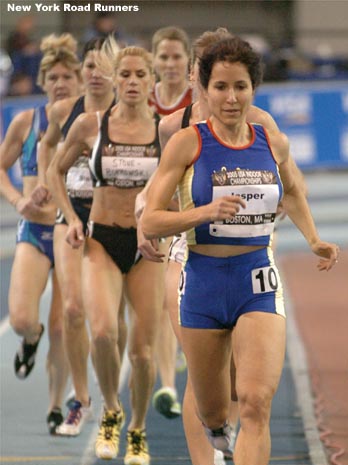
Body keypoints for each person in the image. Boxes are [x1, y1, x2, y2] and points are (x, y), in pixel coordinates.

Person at [142, 36, 339, 465]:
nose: (232, 98)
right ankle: (214, 434)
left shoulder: (270, 139)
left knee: (255, 401)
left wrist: (314, 236)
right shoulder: (188, 143)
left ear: (254, 88)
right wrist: (200, 214)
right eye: (221, 87)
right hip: (203, 281)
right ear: (203, 90)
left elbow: (293, 189)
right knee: (212, 408)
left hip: (256, 276)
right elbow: (152, 220)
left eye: (241, 87)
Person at [46, 39, 166, 465]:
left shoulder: (165, 131)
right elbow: (56, 172)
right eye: (126, 74)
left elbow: (183, 183)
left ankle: (137, 429)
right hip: (100, 240)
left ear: (152, 82)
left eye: (140, 75)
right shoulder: (90, 126)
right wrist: (71, 219)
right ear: (115, 80)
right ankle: (111, 410)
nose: (132, 82)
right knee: (102, 333)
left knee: (143, 351)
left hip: (145, 248)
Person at [32, 38, 117, 436]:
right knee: (70, 310)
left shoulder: (129, 112)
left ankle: (112, 395)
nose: (95, 73)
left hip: (114, 223)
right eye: (89, 66)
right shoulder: (65, 111)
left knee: (112, 322)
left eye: (103, 66)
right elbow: (47, 149)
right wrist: (50, 189)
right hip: (72, 220)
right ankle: (80, 399)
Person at [0, 34, 82, 433]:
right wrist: (19, 202)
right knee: (20, 318)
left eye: (69, 75)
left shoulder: (88, 125)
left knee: (64, 324)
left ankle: (54, 405)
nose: (62, 82)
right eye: (54, 76)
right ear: (43, 81)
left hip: (70, 234)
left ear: (81, 81)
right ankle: (30, 339)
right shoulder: (26, 122)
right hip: (35, 229)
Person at [148, 26, 193, 419]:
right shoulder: (143, 99)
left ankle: (172, 376)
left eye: (177, 56)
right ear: (154, 62)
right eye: (163, 57)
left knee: (172, 297)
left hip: (184, 209)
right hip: (150, 203)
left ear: (189, 62)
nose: (170, 64)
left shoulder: (202, 101)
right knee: (159, 304)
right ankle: (167, 383)